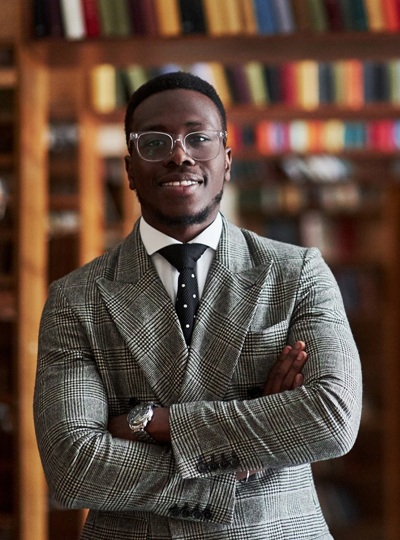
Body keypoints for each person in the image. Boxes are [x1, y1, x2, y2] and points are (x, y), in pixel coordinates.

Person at [34, 72, 362, 539]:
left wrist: (148, 423)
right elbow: (72, 465)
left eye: (198, 137)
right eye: (154, 141)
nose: (179, 154)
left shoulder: (298, 273)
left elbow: (332, 418)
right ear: (129, 169)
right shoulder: (75, 298)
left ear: (226, 161)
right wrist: (244, 454)